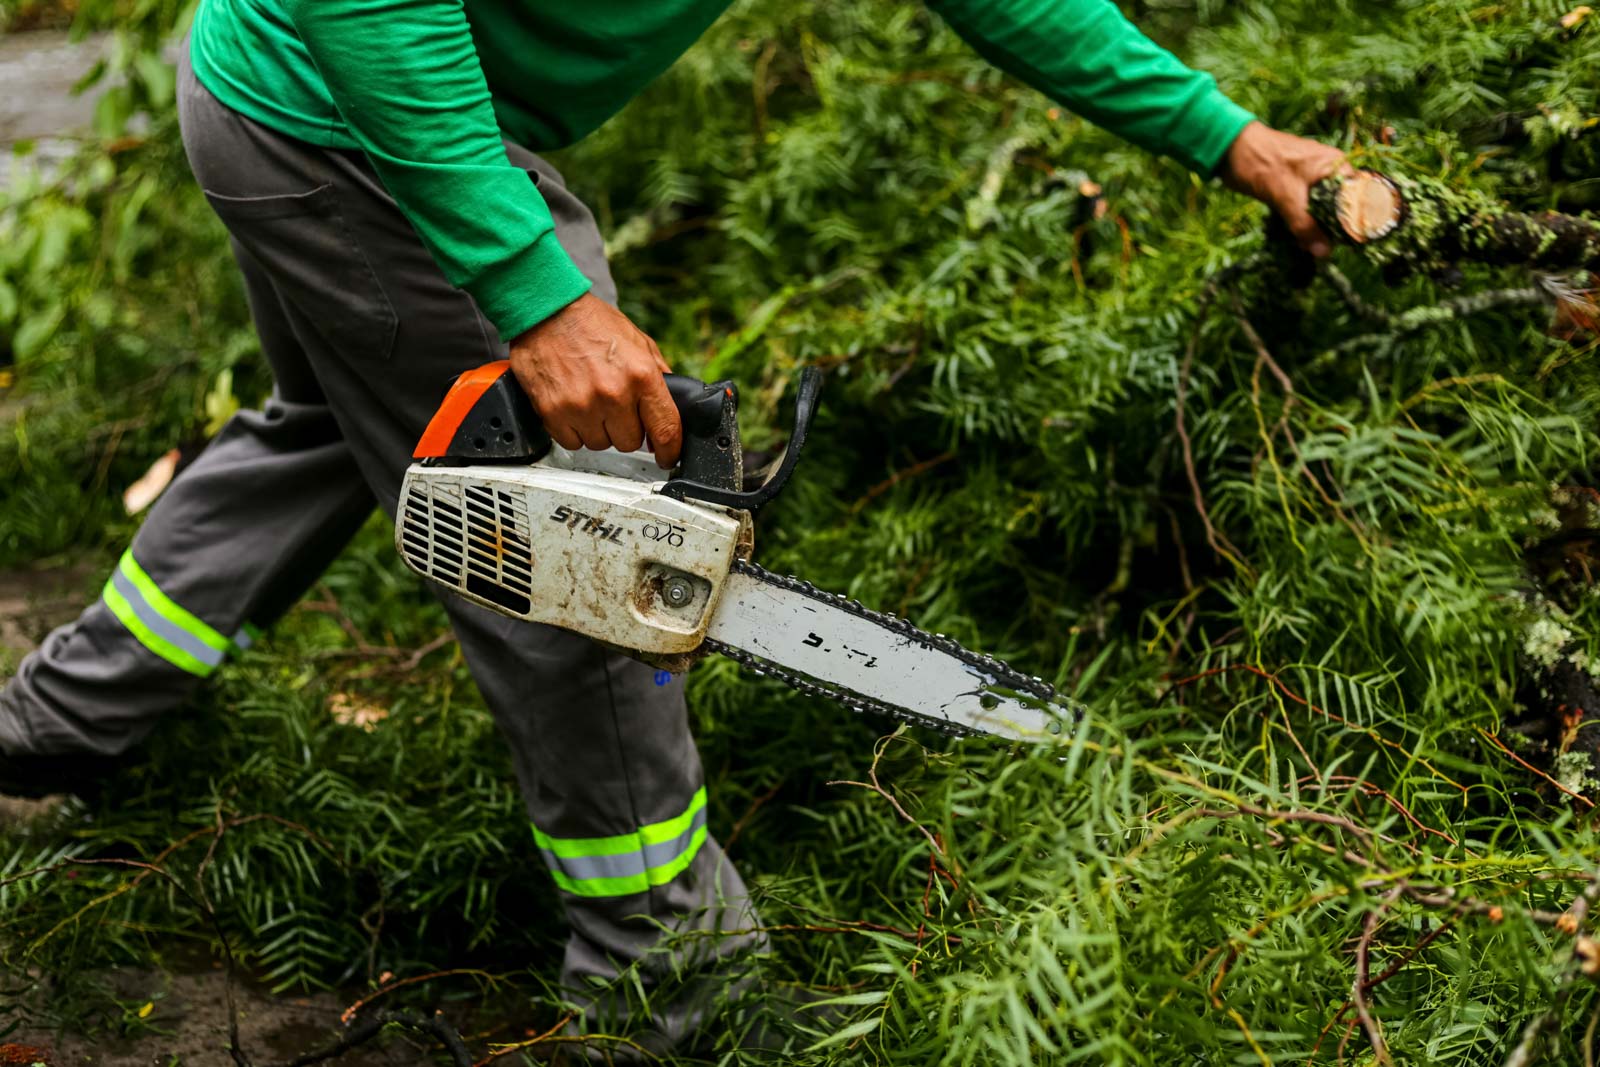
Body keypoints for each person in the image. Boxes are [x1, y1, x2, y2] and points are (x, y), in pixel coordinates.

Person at [0, 0, 1346, 1056]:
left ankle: (72, 716)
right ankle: (669, 982)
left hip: (308, 101)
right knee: (584, 554)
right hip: (340, 108)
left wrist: (1227, 134)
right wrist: (535, 295)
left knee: (337, 433)